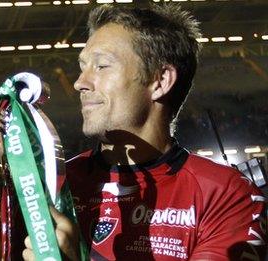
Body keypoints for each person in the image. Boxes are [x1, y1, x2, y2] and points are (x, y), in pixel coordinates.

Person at [23, 4, 267, 261]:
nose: (80, 82)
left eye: (102, 66)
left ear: (160, 81)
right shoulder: (53, 184)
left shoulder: (226, 195)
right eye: (83, 66)